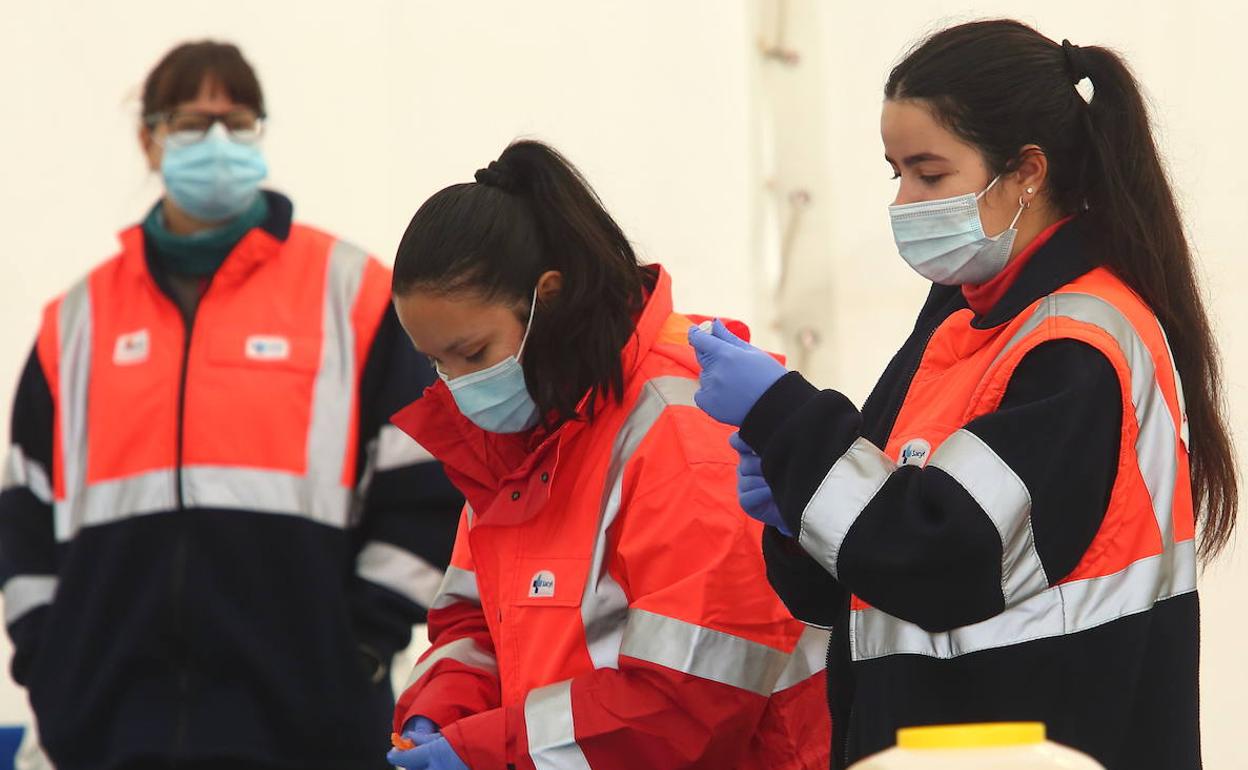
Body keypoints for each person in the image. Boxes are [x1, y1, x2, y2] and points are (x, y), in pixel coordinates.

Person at [689, 19, 1237, 770]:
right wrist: (797, 515)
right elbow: (868, 571)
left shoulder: (1076, 347)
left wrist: (786, 417)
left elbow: (946, 558)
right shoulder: (962, 317)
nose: (906, 201)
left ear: (1028, 171)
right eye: (896, 174)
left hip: (1053, 740)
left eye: (930, 173)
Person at [0, 41, 463, 770]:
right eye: (191, 121)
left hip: (308, 732)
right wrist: (51, 667)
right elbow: (23, 518)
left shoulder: (353, 294)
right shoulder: (77, 323)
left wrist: (364, 650)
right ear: (148, 138)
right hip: (109, 733)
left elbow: (426, 485)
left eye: (237, 120)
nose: (217, 140)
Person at [383, 140, 831, 770]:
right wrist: (442, 710)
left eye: (473, 353)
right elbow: (477, 623)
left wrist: (495, 751)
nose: (457, 385)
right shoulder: (521, 432)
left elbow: (694, 699)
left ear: (549, 296)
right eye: (437, 362)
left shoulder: (682, 425)